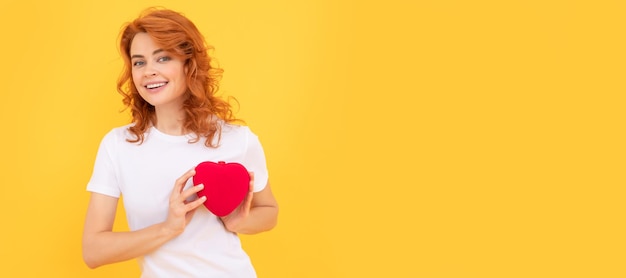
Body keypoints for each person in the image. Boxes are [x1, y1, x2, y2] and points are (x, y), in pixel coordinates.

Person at [82, 7, 279, 277]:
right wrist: (169, 228)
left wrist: (239, 222)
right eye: (139, 62)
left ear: (189, 65)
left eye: (162, 58)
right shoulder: (118, 146)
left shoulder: (237, 140)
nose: (148, 71)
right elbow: (93, 251)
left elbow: (269, 212)